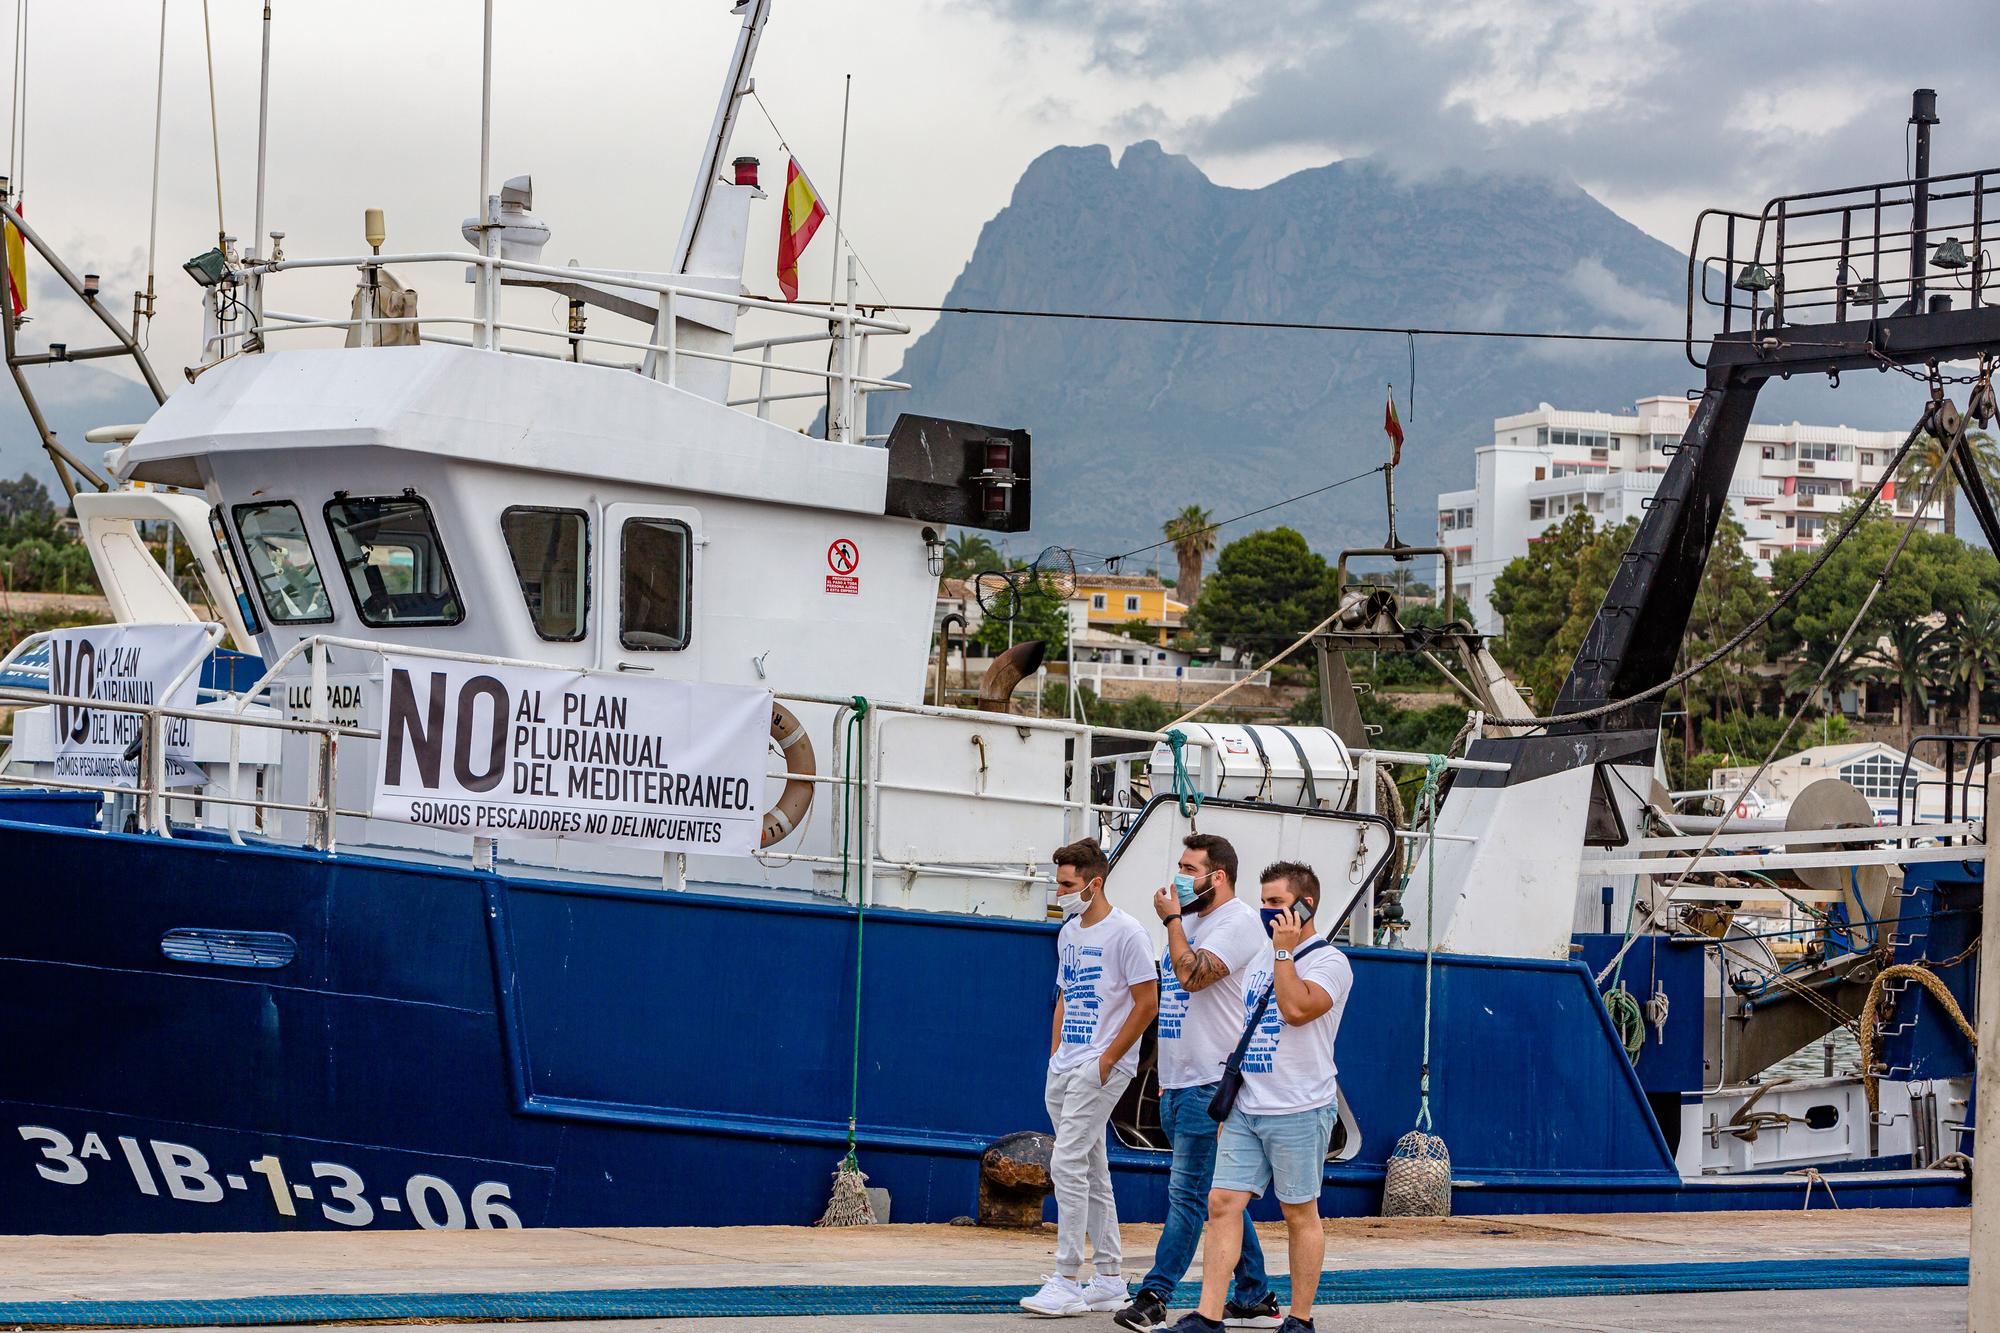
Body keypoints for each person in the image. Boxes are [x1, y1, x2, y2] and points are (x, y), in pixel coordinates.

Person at [1165, 862, 1352, 1333]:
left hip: (1299, 1107)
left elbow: (1295, 1009)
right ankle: (1208, 1316)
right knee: (1222, 1203)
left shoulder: (1330, 962)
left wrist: (1285, 954)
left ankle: (1300, 1318)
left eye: (1276, 903)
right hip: (1248, 1106)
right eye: (1263, 901)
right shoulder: (1258, 963)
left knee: (1298, 1213)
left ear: (1305, 906)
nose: (1266, 911)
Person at [1113, 833, 1281, 1332]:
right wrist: (1166, 1075)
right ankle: (1254, 1295)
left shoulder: (1239, 923)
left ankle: (1154, 1295)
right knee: (1218, 1195)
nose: (1179, 878)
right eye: (1181, 867)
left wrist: (1170, 921)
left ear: (1218, 876)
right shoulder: (1190, 923)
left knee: (1187, 1194)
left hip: (1211, 1084)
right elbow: (1174, 1006)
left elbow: (1193, 978)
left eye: (1190, 869)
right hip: (1180, 1082)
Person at [1020, 838, 1160, 1318]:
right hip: (1067, 1063)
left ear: (1094, 882)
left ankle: (1065, 1279)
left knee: (1066, 1162)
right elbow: (1064, 994)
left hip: (1101, 1063)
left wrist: (1106, 1061)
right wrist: (1056, 1051)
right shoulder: (1069, 933)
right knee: (1092, 1168)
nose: (1059, 892)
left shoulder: (1128, 934)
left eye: (1066, 884)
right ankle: (1109, 1279)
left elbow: (1147, 1003)